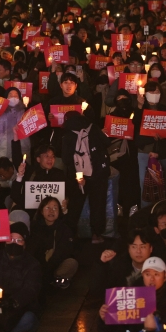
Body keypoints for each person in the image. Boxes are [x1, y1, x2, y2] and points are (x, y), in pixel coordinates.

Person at [61, 111, 111, 243]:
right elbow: (106, 142)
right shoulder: (93, 127)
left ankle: (70, 236)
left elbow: (66, 159)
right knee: (98, 205)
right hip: (98, 174)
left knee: (75, 206)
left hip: (78, 176)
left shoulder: (67, 135)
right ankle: (96, 234)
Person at [27, 197, 78, 289]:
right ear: (41, 211)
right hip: (39, 267)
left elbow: (64, 252)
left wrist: (49, 266)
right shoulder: (35, 228)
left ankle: (58, 281)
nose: (51, 211)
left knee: (71, 263)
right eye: (48, 208)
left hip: (55, 266)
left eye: (55, 208)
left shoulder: (64, 229)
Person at [0, 87, 30, 162]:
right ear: (6, 97)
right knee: (3, 171)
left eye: (16, 95)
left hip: (22, 147)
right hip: (3, 149)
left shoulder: (25, 111)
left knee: (22, 171)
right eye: (10, 95)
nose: (13, 97)